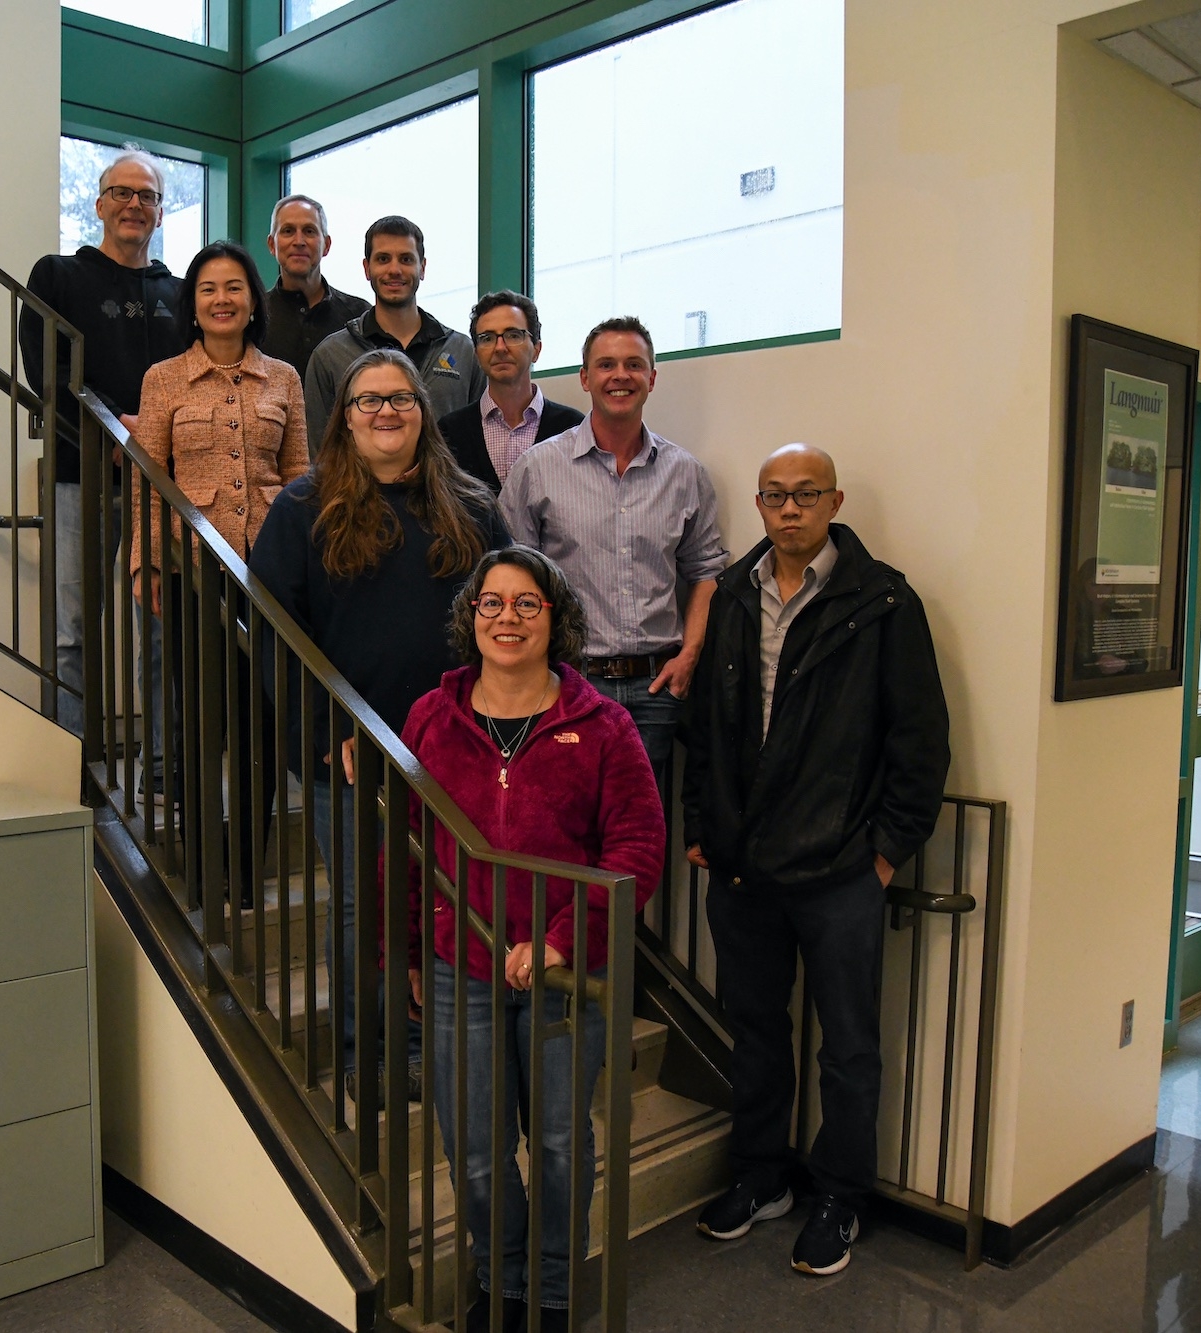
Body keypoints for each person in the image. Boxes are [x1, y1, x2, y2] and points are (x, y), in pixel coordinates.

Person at [683, 443, 951, 1277]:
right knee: (756, 1032)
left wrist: (886, 852)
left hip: (840, 870)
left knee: (849, 1046)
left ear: (833, 501)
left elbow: (919, 738)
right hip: (743, 868)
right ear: (758, 505)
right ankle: (763, 1177)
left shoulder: (882, 602)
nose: (789, 508)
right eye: (774, 495)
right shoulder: (731, 595)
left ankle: (841, 1195)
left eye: (805, 494)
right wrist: (701, 822)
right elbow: (707, 724)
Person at [401, 546, 662, 1333]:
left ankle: (552, 1291)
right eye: (491, 603)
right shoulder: (430, 719)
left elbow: (636, 852)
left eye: (526, 604)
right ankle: (499, 1279)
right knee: (477, 1152)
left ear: (556, 618)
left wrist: (560, 943)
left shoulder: (605, 725)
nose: (506, 618)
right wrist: (415, 949)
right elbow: (409, 843)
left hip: (562, 979)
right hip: (463, 968)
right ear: (469, 617)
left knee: (556, 1144)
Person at [249, 349, 510, 1100]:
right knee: (367, 906)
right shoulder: (302, 509)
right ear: (346, 416)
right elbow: (274, 635)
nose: (386, 411)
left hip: (460, 745)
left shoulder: (473, 505)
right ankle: (374, 1053)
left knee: (452, 896)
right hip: (351, 751)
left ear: (423, 412)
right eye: (368, 401)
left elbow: (502, 616)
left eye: (401, 398)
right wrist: (319, 732)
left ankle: (441, 1041)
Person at [131, 240, 310, 879]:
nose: (222, 300)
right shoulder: (163, 380)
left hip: (268, 573)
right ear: (193, 303)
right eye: (208, 289)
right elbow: (148, 478)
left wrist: (307, 567)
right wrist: (147, 561)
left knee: (262, 725)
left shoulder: (284, 378)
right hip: (193, 573)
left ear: (252, 301)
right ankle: (206, 869)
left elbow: (299, 479)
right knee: (205, 723)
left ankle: (244, 872)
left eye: (234, 287)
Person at [498, 316, 726, 807]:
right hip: (568, 684)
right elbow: (511, 581)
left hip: (656, 689)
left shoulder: (684, 474)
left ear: (651, 378)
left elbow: (707, 572)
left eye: (633, 365)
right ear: (585, 378)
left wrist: (688, 657)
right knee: (563, 822)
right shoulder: (538, 469)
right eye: (605, 365)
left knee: (636, 830)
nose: (619, 375)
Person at [20, 149, 184, 737]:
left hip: (163, 488)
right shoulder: (58, 276)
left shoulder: (183, 293)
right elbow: (47, 368)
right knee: (72, 631)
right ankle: (70, 769)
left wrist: (154, 438)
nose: (134, 205)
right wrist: (118, 426)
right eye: (122, 192)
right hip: (81, 476)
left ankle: (166, 772)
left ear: (161, 213)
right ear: (98, 204)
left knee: (165, 632)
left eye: (147, 196)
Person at [301, 216, 482, 442]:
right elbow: (320, 453)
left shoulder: (462, 352)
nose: (394, 269)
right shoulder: (331, 356)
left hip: (444, 478)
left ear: (422, 268)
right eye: (383, 259)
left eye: (406, 259)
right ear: (367, 269)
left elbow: (477, 444)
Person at [439, 291, 582, 494]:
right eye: (487, 338)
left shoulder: (572, 428)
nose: (500, 347)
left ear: (537, 350)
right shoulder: (449, 432)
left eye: (513, 335)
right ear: (477, 354)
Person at [260, 194, 370, 380]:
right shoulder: (254, 316)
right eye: (288, 231)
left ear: (326, 245)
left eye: (309, 231)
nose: (299, 241)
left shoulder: (360, 316)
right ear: (272, 245)